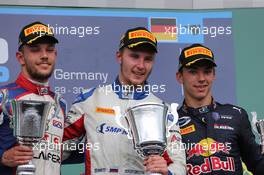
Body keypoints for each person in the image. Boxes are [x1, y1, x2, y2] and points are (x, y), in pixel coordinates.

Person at [63, 27, 186, 175]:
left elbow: (179, 166)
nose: (141, 65)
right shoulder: (90, 99)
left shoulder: (164, 111)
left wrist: (167, 171)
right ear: (119, 56)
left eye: (148, 59)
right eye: (134, 56)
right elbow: (57, 150)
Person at [176, 43, 264, 175]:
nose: (201, 78)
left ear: (214, 75)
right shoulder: (172, 122)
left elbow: (257, 164)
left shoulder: (236, 115)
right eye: (193, 72)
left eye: (207, 72)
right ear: (180, 77)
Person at [0, 21, 67, 175]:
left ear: (55, 55)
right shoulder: (3, 97)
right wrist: (2, 156)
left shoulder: (60, 104)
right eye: (35, 50)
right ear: (20, 57)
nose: (44, 56)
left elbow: (65, 152)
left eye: (49, 50)